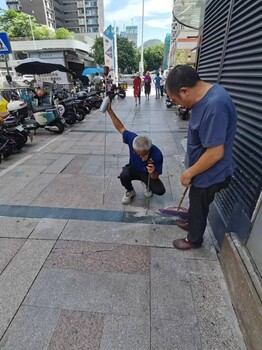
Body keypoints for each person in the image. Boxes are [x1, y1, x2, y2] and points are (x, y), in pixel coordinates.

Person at [165, 65, 237, 250]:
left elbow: (215, 152)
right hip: (202, 170)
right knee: (196, 203)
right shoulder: (207, 96)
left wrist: (189, 172)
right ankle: (192, 221)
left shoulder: (214, 106)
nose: (178, 104)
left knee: (199, 206)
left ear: (184, 91)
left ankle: (194, 239)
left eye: (176, 99)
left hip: (210, 174)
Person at [106, 102, 166, 204]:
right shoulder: (132, 139)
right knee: (124, 175)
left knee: (160, 190)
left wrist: (152, 173)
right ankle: (130, 191)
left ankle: (146, 184)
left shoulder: (157, 154)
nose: (140, 157)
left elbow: (156, 177)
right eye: (137, 154)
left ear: (149, 150)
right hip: (133, 168)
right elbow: (120, 128)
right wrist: (109, 111)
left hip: (146, 174)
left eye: (143, 155)